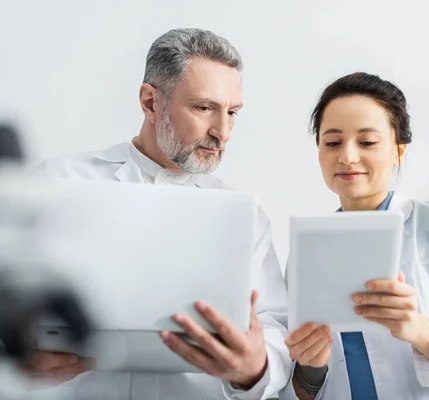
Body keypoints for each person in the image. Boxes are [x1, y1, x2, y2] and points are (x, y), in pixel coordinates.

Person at [25, 28, 292, 400]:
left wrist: (255, 369)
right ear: (150, 102)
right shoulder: (58, 185)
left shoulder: (246, 217)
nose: (223, 132)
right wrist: (21, 355)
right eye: (204, 108)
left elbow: (273, 325)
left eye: (232, 112)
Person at [279, 72, 429, 399]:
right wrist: (309, 369)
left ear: (398, 151)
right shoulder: (307, 248)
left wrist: (418, 330)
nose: (347, 156)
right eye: (332, 142)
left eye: (367, 141)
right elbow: (301, 387)